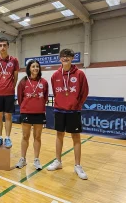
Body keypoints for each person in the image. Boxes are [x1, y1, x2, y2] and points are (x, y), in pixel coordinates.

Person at [47, 49, 89, 180]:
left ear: (72, 58)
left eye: (68, 56)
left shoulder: (80, 74)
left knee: (76, 137)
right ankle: (58, 161)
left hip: (74, 111)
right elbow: (55, 91)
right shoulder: (55, 75)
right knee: (59, 136)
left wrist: (77, 104)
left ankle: (77, 165)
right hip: (59, 110)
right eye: (63, 56)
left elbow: (85, 92)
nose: (65, 58)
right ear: (60, 59)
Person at [15, 60, 48, 170]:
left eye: (37, 66)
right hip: (26, 112)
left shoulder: (44, 82)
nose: (35, 68)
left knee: (37, 137)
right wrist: (25, 106)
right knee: (25, 136)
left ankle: (36, 159)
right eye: (33, 66)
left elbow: (46, 97)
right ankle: (23, 159)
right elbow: (20, 98)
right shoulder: (23, 82)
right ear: (29, 68)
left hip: (39, 112)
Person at [0, 37, 19, 148]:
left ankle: (7, 137)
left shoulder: (14, 60)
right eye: (0, 45)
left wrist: (11, 87)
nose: (2, 47)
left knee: (8, 116)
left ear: (8, 46)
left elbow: (15, 77)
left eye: (4, 45)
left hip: (9, 93)